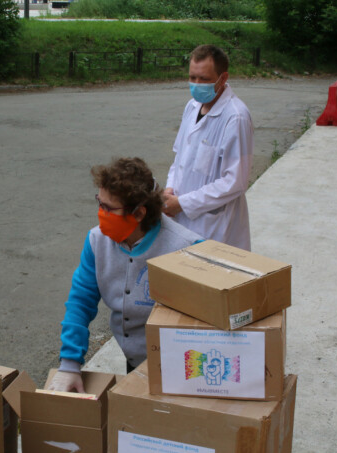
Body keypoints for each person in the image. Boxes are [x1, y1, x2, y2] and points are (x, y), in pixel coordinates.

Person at [48, 157, 201, 392]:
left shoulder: (186, 249)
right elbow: (81, 300)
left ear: (139, 214)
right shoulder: (97, 241)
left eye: (108, 208)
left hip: (180, 367)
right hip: (134, 362)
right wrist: (69, 364)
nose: (101, 213)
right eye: (99, 203)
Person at [162, 44, 254, 251]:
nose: (196, 84)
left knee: (211, 267)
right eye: (192, 77)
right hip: (180, 215)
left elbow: (235, 181)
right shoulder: (191, 107)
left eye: (204, 79)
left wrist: (183, 203)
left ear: (223, 78)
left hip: (214, 225)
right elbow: (179, 158)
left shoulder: (236, 117)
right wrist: (170, 190)